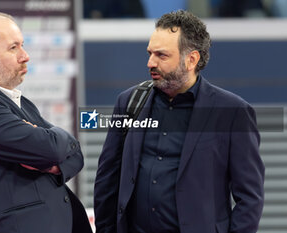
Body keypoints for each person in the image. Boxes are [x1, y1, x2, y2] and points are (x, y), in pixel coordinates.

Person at [94, 10, 264, 233]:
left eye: (162, 56)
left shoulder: (233, 112)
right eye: (150, 53)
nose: (150, 63)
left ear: (191, 59)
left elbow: (250, 198)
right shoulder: (128, 102)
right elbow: (107, 180)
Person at [0, 11, 92, 233]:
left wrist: (55, 157)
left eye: (22, 45)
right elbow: (50, 148)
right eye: (14, 48)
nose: (25, 56)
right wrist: (54, 148)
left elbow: (75, 155)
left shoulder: (18, 101)